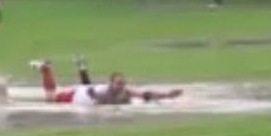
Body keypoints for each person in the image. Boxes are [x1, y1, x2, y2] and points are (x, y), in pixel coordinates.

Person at [31, 56, 182, 105]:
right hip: (79, 96)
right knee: (50, 97)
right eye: (118, 83)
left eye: (122, 83)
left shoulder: (125, 91)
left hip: (89, 92)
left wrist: (168, 95)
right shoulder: (108, 93)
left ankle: (81, 68)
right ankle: (46, 69)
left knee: (87, 85)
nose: (121, 86)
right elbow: (98, 98)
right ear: (111, 83)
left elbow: (146, 94)